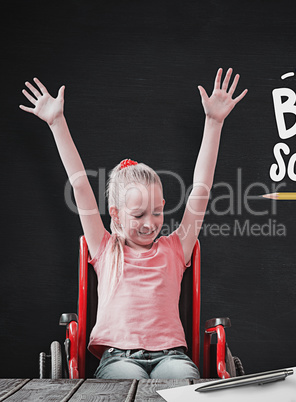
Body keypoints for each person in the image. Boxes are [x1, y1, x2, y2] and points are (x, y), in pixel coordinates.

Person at [19, 68, 247, 379]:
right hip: (118, 358)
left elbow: (201, 188)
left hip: (171, 357)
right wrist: (57, 122)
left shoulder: (176, 247)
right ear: (115, 214)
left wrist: (214, 123)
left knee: (182, 383)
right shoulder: (105, 248)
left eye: (156, 212)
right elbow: (80, 186)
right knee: (125, 388)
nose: (150, 223)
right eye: (138, 215)